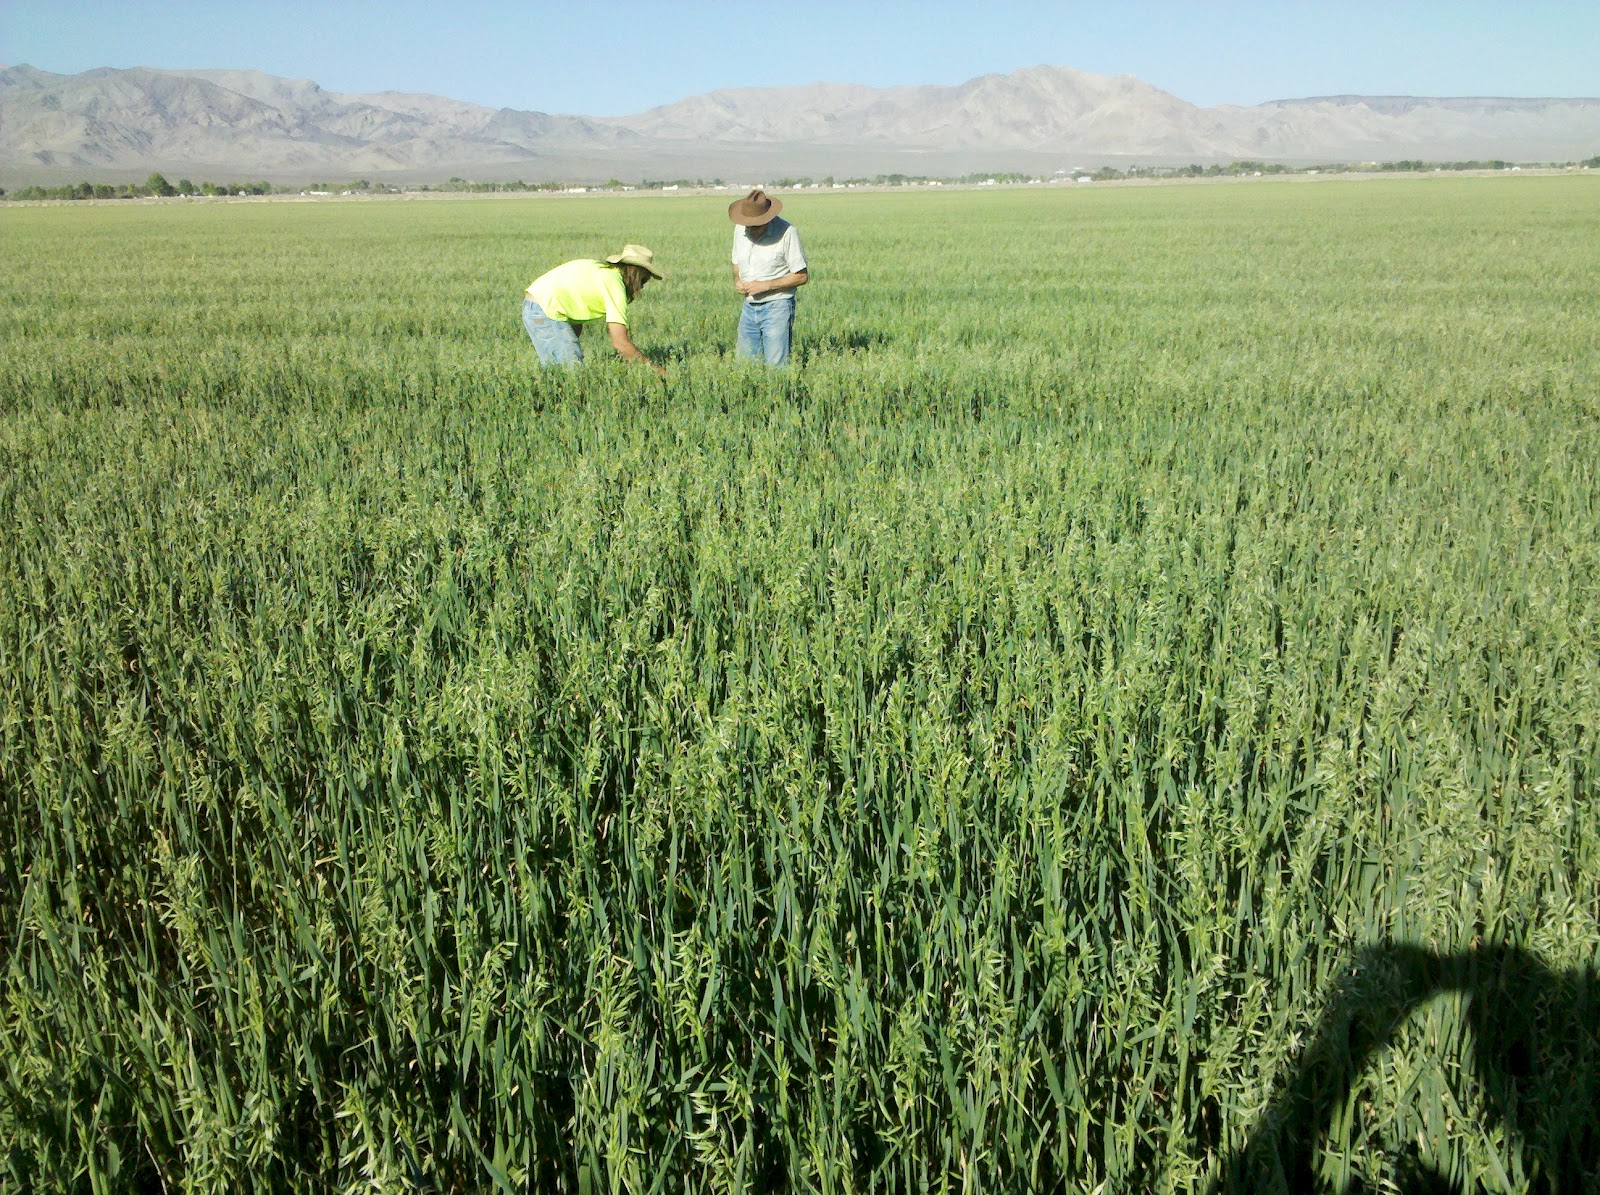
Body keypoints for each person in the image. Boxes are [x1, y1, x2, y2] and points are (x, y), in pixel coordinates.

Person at [522, 245, 667, 379]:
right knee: (572, 375)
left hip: (537, 305)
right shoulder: (615, 286)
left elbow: (574, 302)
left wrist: (570, 345)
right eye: (644, 280)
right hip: (545, 309)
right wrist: (657, 371)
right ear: (637, 275)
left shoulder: (603, 272)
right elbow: (620, 342)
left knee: (557, 372)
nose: (642, 287)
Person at [728, 189, 808, 365]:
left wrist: (765, 285)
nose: (750, 228)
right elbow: (736, 262)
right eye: (748, 224)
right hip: (749, 307)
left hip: (777, 307)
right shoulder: (739, 229)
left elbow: (801, 276)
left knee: (776, 366)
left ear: (768, 219)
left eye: (756, 225)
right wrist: (737, 280)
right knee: (745, 365)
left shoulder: (787, 232)